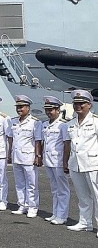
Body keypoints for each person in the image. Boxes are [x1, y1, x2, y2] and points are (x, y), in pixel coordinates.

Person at [63, 89, 98, 236]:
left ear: (89, 105)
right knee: (82, 195)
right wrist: (65, 162)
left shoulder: (95, 121)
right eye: (76, 104)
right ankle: (85, 222)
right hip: (75, 163)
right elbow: (68, 145)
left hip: (92, 163)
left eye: (82, 103)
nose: (78, 106)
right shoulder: (70, 124)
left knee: (97, 195)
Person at [6, 95, 43, 218]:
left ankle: (32, 207)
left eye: (21, 107)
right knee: (19, 183)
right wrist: (9, 153)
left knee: (32, 184)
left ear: (28, 108)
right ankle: (22, 205)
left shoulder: (35, 122)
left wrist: (38, 156)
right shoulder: (13, 121)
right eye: (18, 107)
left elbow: (38, 140)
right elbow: (11, 139)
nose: (19, 109)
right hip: (17, 156)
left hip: (29, 157)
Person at [41, 96, 69, 225]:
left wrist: (65, 162)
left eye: (51, 110)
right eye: (46, 110)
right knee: (54, 189)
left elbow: (66, 144)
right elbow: (44, 143)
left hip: (58, 161)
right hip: (49, 161)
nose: (48, 112)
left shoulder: (63, 125)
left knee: (62, 190)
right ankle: (55, 213)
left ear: (58, 110)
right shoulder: (45, 124)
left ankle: (62, 216)